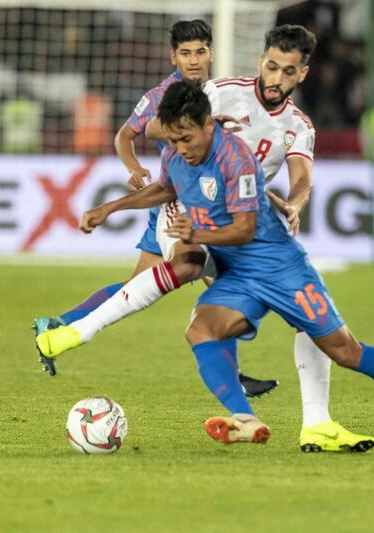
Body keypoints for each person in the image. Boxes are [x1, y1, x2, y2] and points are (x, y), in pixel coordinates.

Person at [40, 80, 374, 456]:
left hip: (281, 268)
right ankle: (245, 418)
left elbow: (243, 229)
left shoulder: (234, 158)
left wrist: (199, 230)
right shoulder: (177, 154)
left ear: (209, 125)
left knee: (346, 351)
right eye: (173, 140)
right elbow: (164, 188)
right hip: (239, 276)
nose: (181, 149)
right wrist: (110, 208)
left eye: (187, 138)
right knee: (201, 330)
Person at [32, 19, 276, 396]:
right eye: (185, 53)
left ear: (211, 53)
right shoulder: (163, 95)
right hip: (175, 204)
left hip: (196, 200)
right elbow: (133, 133)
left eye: (199, 52)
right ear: (172, 56)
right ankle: (232, 378)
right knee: (218, 280)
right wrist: (133, 168)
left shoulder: (226, 93)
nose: (193, 61)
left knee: (138, 285)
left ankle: (58, 323)